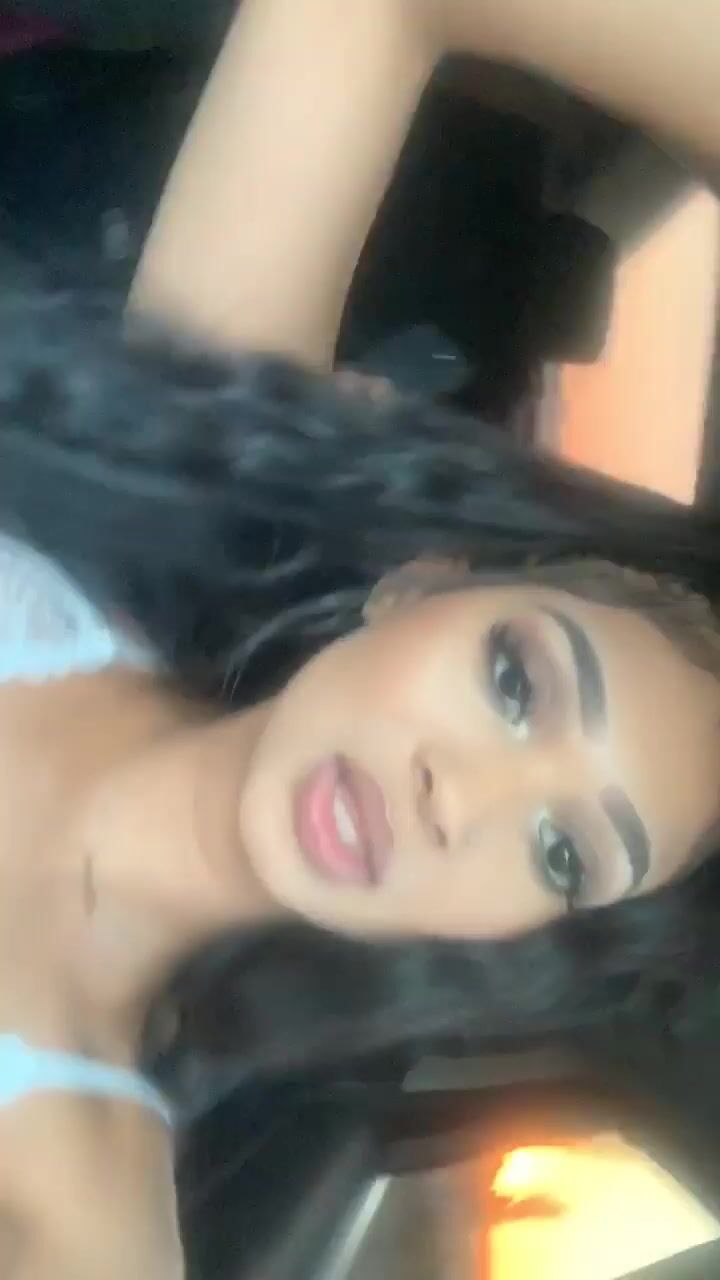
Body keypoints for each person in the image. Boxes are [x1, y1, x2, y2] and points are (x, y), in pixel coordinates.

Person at [1, 1, 720, 1276]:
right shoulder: (174, 491)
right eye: (517, 683)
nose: (463, 800)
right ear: (420, 586)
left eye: (561, 850)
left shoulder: (80, 1218)